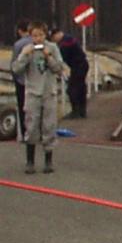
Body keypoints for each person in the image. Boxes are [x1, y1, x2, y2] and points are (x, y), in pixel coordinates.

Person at [11, 21, 65, 174]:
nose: (38, 38)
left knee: (49, 126)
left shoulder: (52, 48)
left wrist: (49, 57)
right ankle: (30, 161)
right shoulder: (27, 49)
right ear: (30, 36)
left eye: (41, 35)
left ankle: (48, 160)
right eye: (34, 36)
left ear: (45, 35)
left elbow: (59, 68)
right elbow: (16, 69)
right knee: (32, 125)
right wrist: (25, 55)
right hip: (32, 93)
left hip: (49, 93)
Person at [49, 26, 89, 118]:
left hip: (78, 66)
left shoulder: (65, 42)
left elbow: (62, 57)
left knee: (72, 89)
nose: (54, 41)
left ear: (57, 34)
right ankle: (82, 111)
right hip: (80, 65)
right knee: (80, 88)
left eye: (53, 38)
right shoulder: (68, 39)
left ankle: (76, 111)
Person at [11, 19, 32, 141]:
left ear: (19, 31)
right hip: (36, 82)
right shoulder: (38, 42)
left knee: (23, 107)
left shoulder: (18, 44)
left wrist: (15, 77)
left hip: (21, 81)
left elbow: (14, 65)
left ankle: (25, 134)